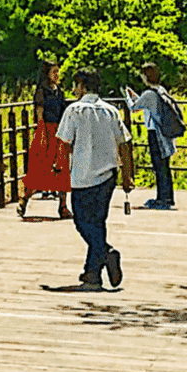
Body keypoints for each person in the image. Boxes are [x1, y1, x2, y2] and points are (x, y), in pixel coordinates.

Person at [55, 67, 134, 291]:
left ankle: (106, 253)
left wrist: (59, 168)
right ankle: (92, 273)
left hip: (82, 174)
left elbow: (64, 142)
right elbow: (124, 143)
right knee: (98, 222)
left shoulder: (74, 110)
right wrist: (127, 175)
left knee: (82, 221)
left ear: (81, 86)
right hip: (108, 174)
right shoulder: (111, 111)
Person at [21, 62, 73, 219]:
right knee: (41, 167)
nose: (57, 75)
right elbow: (39, 113)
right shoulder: (41, 92)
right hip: (46, 130)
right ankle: (25, 199)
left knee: (63, 167)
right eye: (54, 72)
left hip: (59, 131)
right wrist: (42, 132)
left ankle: (63, 205)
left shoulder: (59, 92)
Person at [127, 62, 178, 210]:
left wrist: (127, 96)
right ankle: (166, 197)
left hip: (155, 132)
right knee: (164, 166)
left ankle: (163, 199)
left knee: (159, 166)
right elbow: (144, 103)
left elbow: (134, 107)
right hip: (164, 132)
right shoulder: (161, 90)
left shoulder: (149, 94)